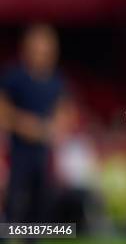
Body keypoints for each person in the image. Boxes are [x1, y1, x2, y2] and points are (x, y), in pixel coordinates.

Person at [0, 24, 67, 223]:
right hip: (17, 152)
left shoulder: (56, 81)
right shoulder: (14, 77)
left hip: (43, 153)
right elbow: (3, 109)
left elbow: (64, 111)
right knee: (13, 203)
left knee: (39, 205)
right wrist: (25, 125)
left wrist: (53, 127)